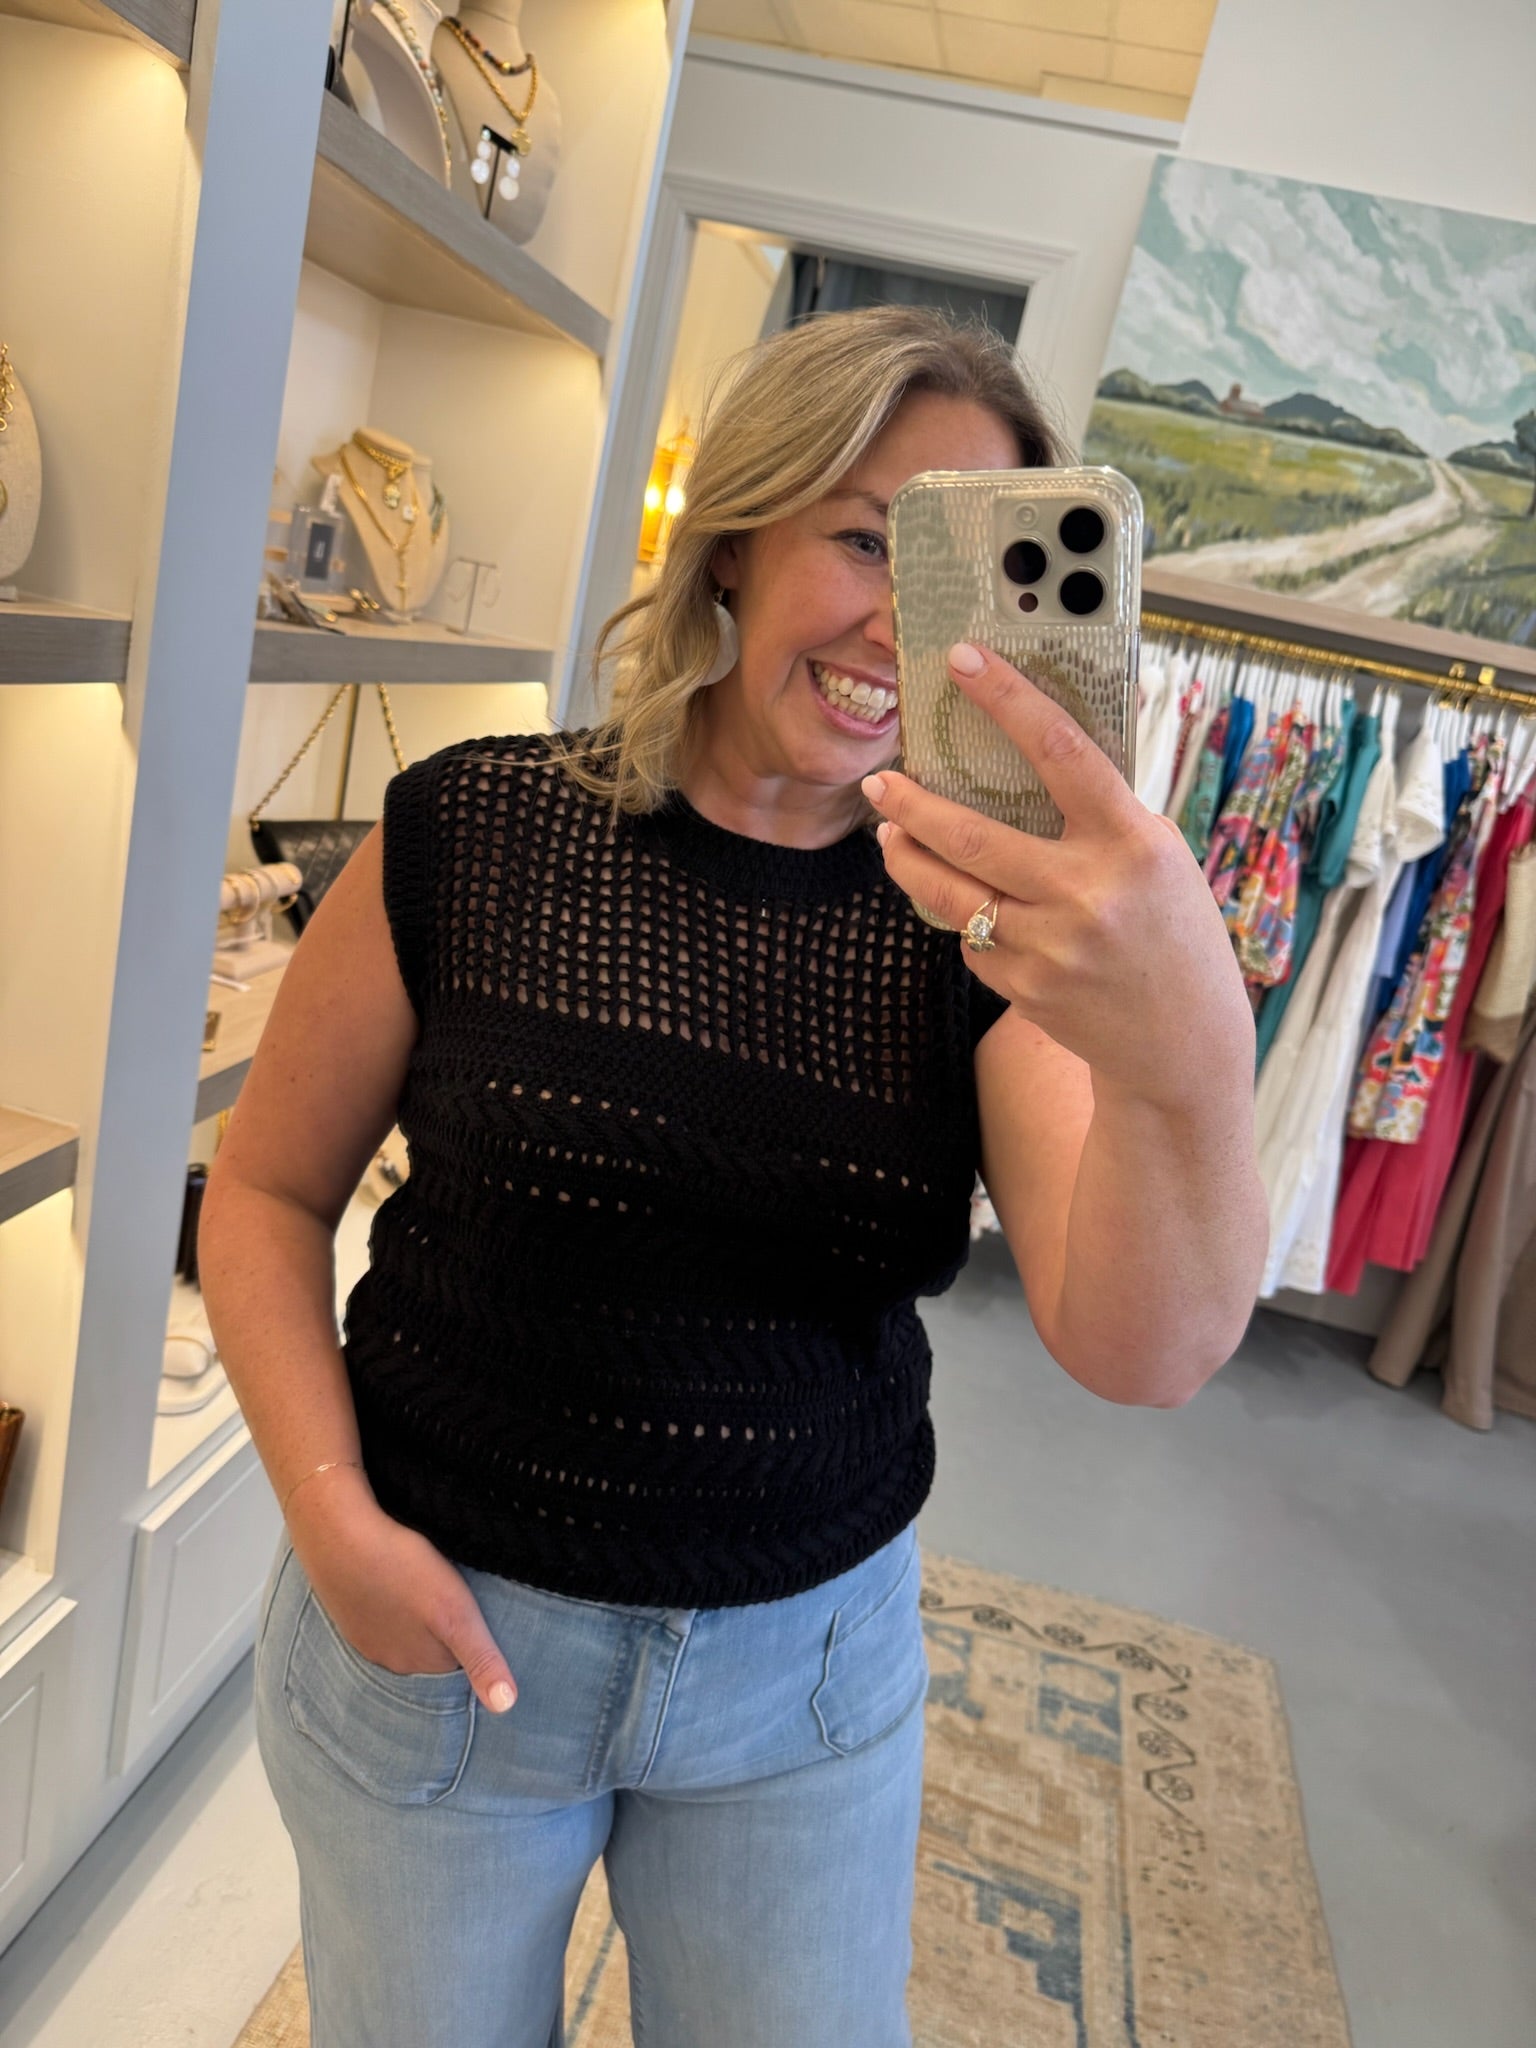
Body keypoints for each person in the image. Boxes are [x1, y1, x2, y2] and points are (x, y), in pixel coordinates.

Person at [202, 305, 1267, 2048]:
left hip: (804, 1685)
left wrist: (1189, 1048)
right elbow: (262, 1194)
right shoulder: (470, 827)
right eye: (865, 540)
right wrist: (330, 1517)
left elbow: (1141, 1349)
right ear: (736, 540)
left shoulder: (984, 935)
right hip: (444, 1640)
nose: (899, 627)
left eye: (958, 576)